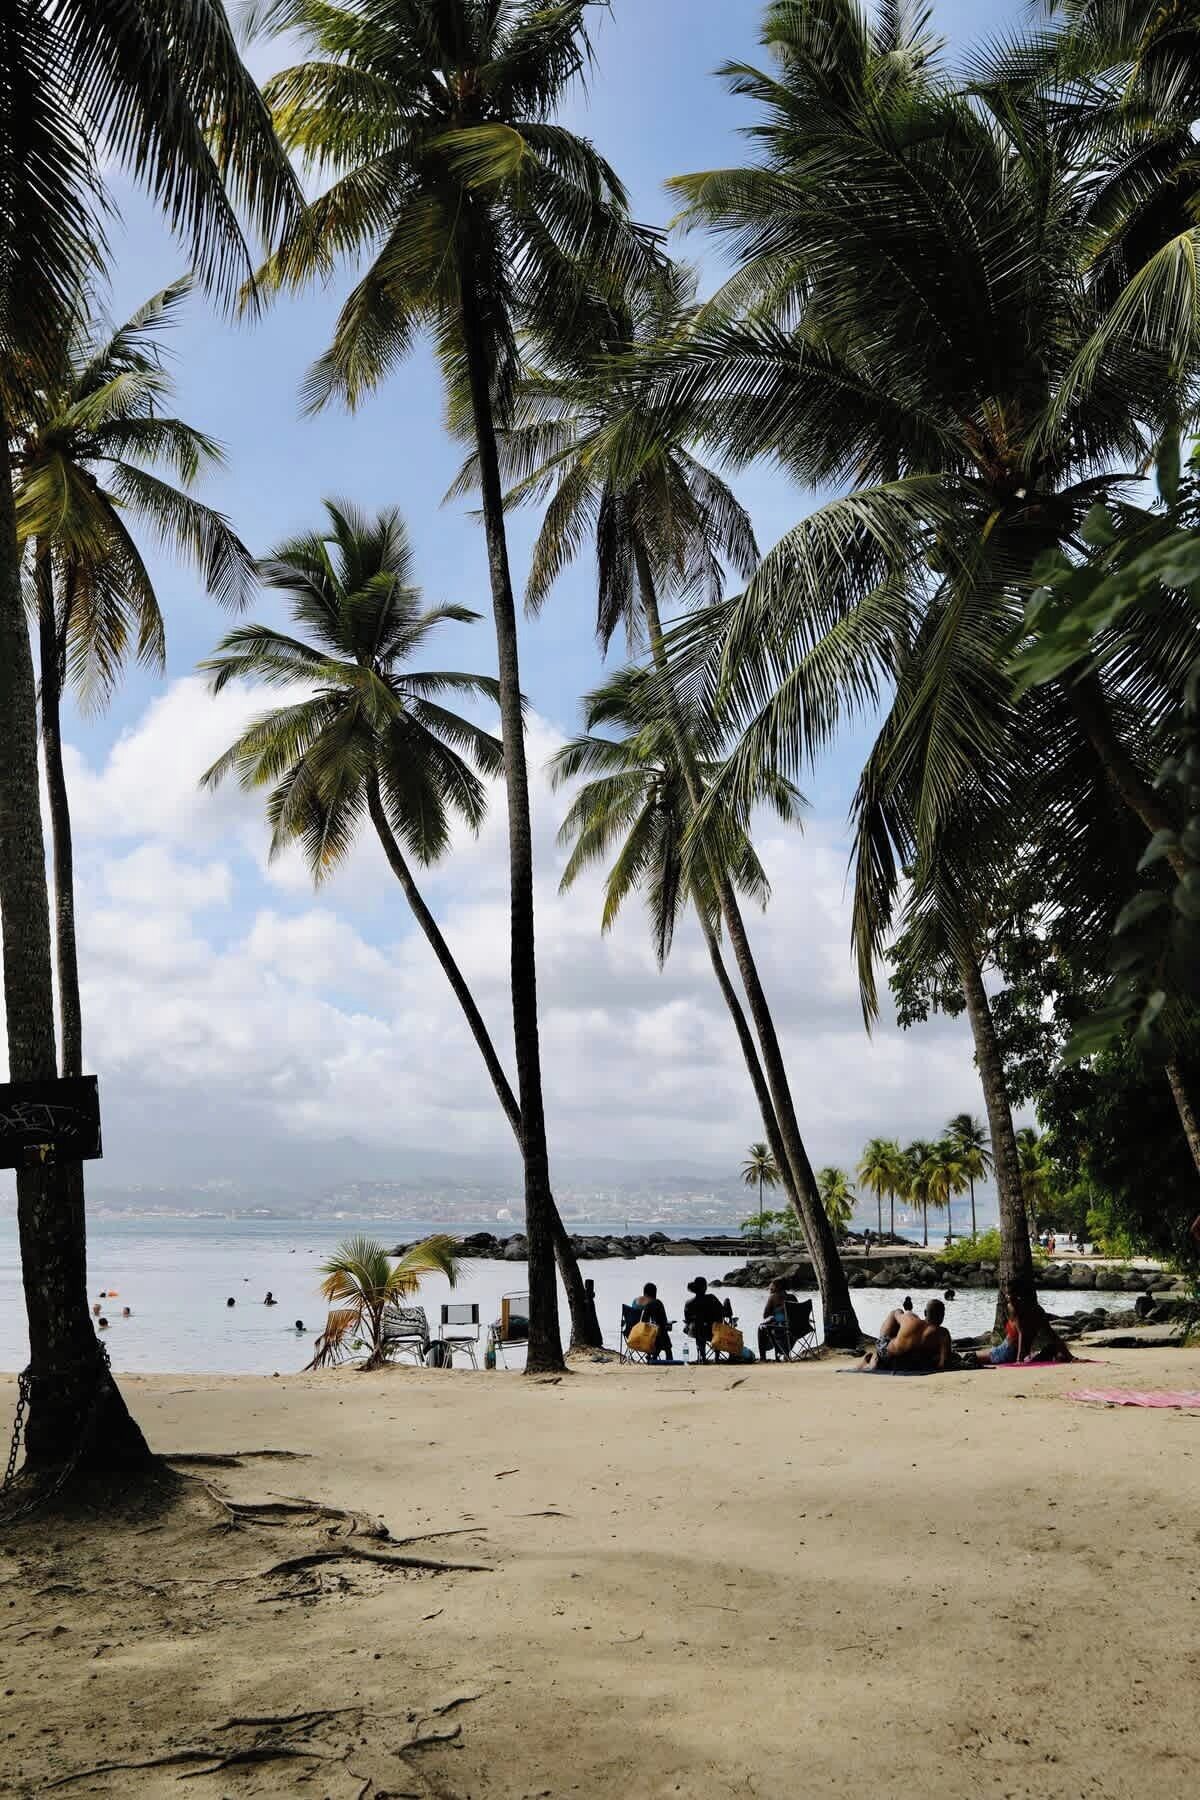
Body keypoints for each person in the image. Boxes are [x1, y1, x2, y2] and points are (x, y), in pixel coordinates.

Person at [860, 1299, 952, 1372]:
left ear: (925, 1313)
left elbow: (896, 1315)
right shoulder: (943, 1333)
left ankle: (873, 1360)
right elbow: (943, 1364)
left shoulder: (910, 1319)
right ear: (943, 1316)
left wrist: (904, 1315)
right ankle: (874, 1360)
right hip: (912, 1362)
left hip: (888, 1355)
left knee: (896, 1312)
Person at [683, 1276, 725, 1362]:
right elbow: (722, 1311)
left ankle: (703, 1357)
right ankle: (716, 1357)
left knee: (697, 1329)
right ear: (705, 1288)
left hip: (696, 1332)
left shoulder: (689, 1303)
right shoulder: (711, 1298)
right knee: (716, 1328)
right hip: (712, 1332)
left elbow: (687, 1320)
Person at [758, 1278, 798, 1360]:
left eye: (772, 1286)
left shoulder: (773, 1297)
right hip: (796, 1329)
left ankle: (763, 1358)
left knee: (761, 1328)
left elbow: (765, 1315)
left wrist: (775, 1315)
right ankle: (783, 1353)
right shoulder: (792, 1297)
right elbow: (796, 1314)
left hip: (782, 1328)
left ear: (777, 1287)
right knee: (776, 1323)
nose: (770, 1288)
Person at [634, 1281, 673, 1362]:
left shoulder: (641, 1303)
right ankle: (668, 1360)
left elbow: (643, 1321)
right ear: (655, 1293)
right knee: (664, 1337)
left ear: (644, 1293)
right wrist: (667, 1325)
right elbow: (662, 1320)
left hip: (641, 1336)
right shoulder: (657, 1303)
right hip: (655, 1336)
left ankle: (653, 1357)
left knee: (658, 1332)